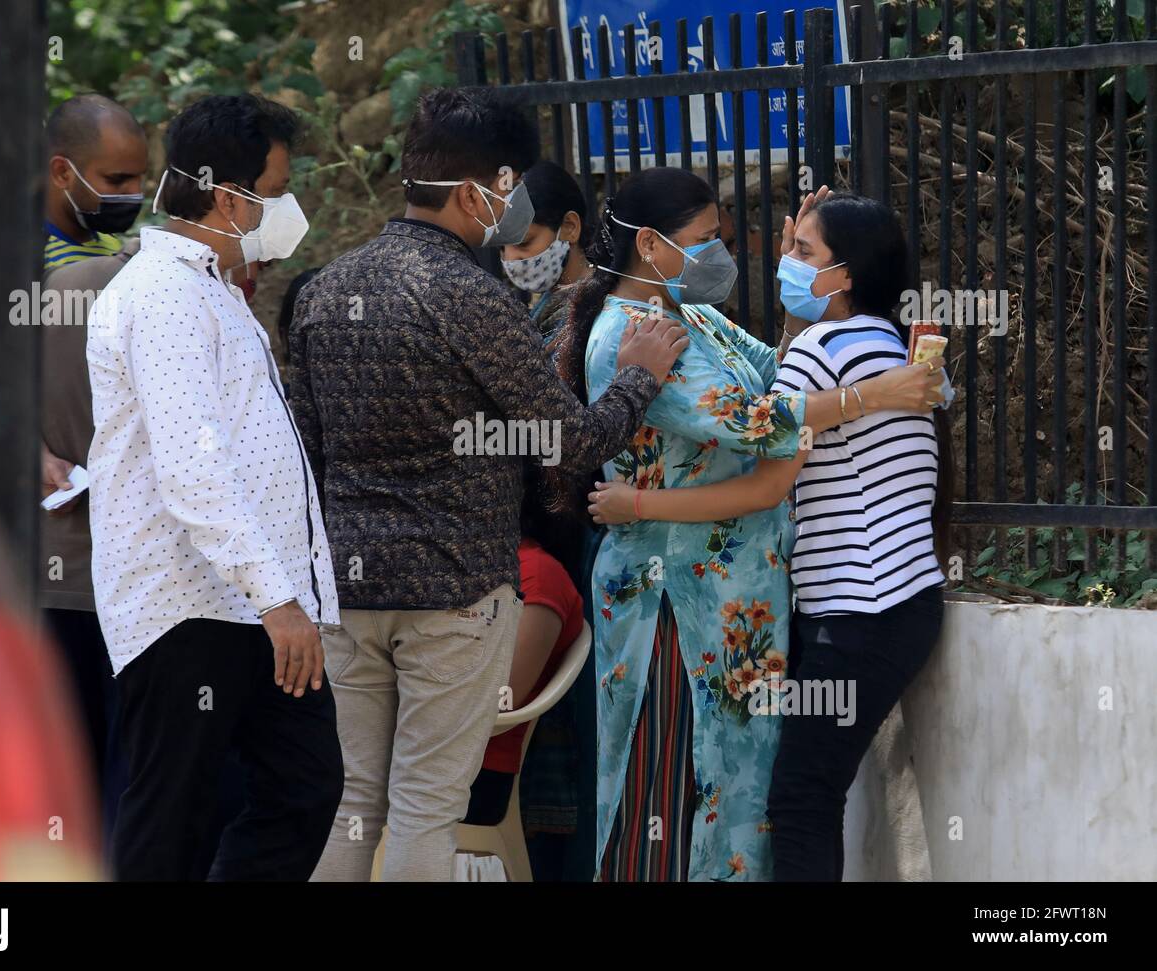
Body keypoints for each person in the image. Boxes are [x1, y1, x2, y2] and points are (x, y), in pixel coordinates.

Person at [289, 87, 688, 882]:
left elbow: (307, 456)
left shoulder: (327, 288)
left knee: (358, 800)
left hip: (345, 584)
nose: (510, 209)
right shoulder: (471, 295)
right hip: (456, 586)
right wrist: (637, 381)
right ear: (480, 190)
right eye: (509, 191)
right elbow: (569, 444)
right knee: (427, 806)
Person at [558, 168, 942, 881]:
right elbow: (755, 423)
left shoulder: (689, 313)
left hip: (738, 601)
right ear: (650, 243)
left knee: (743, 795)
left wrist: (805, 288)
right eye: (706, 241)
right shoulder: (628, 332)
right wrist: (872, 392)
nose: (720, 256)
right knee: (675, 780)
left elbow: (772, 372)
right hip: (672, 603)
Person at [85, 93, 342, 881]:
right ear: (231, 199)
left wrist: (282, 596)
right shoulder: (162, 293)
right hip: (187, 603)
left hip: (250, 602)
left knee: (305, 786)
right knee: (173, 817)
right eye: (279, 185)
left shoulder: (216, 288)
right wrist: (280, 598)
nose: (288, 206)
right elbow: (194, 470)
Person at [39, 93, 148, 843]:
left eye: (139, 178)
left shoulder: (130, 265)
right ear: (61, 171)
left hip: (134, 563)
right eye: (113, 179)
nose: (128, 196)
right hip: (53, 561)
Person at [463, 463, 584, 829]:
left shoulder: (537, 573)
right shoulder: (457, 564)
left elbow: (502, 698)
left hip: (473, 771)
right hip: (419, 750)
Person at [499, 160, 593, 353]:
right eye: (502, 246)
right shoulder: (549, 306)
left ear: (570, 227)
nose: (511, 257)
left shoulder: (597, 310)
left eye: (524, 243)